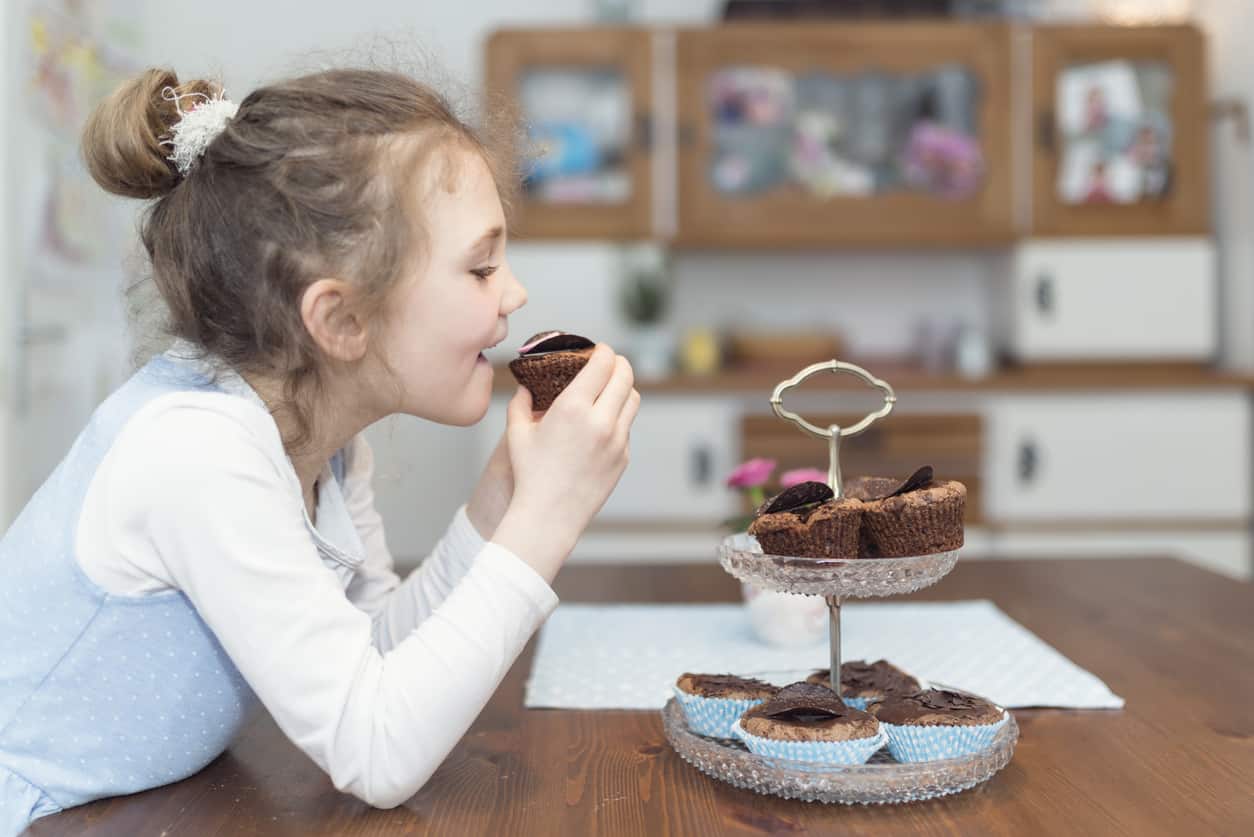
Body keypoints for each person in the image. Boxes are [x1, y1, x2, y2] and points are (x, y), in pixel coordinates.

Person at [0, 66, 639, 834]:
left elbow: (372, 657)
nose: (515, 292)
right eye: (480, 267)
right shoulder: (198, 455)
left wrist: (505, 497)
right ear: (338, 321)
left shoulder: (323, 447)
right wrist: (550, 515)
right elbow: (377, 751)